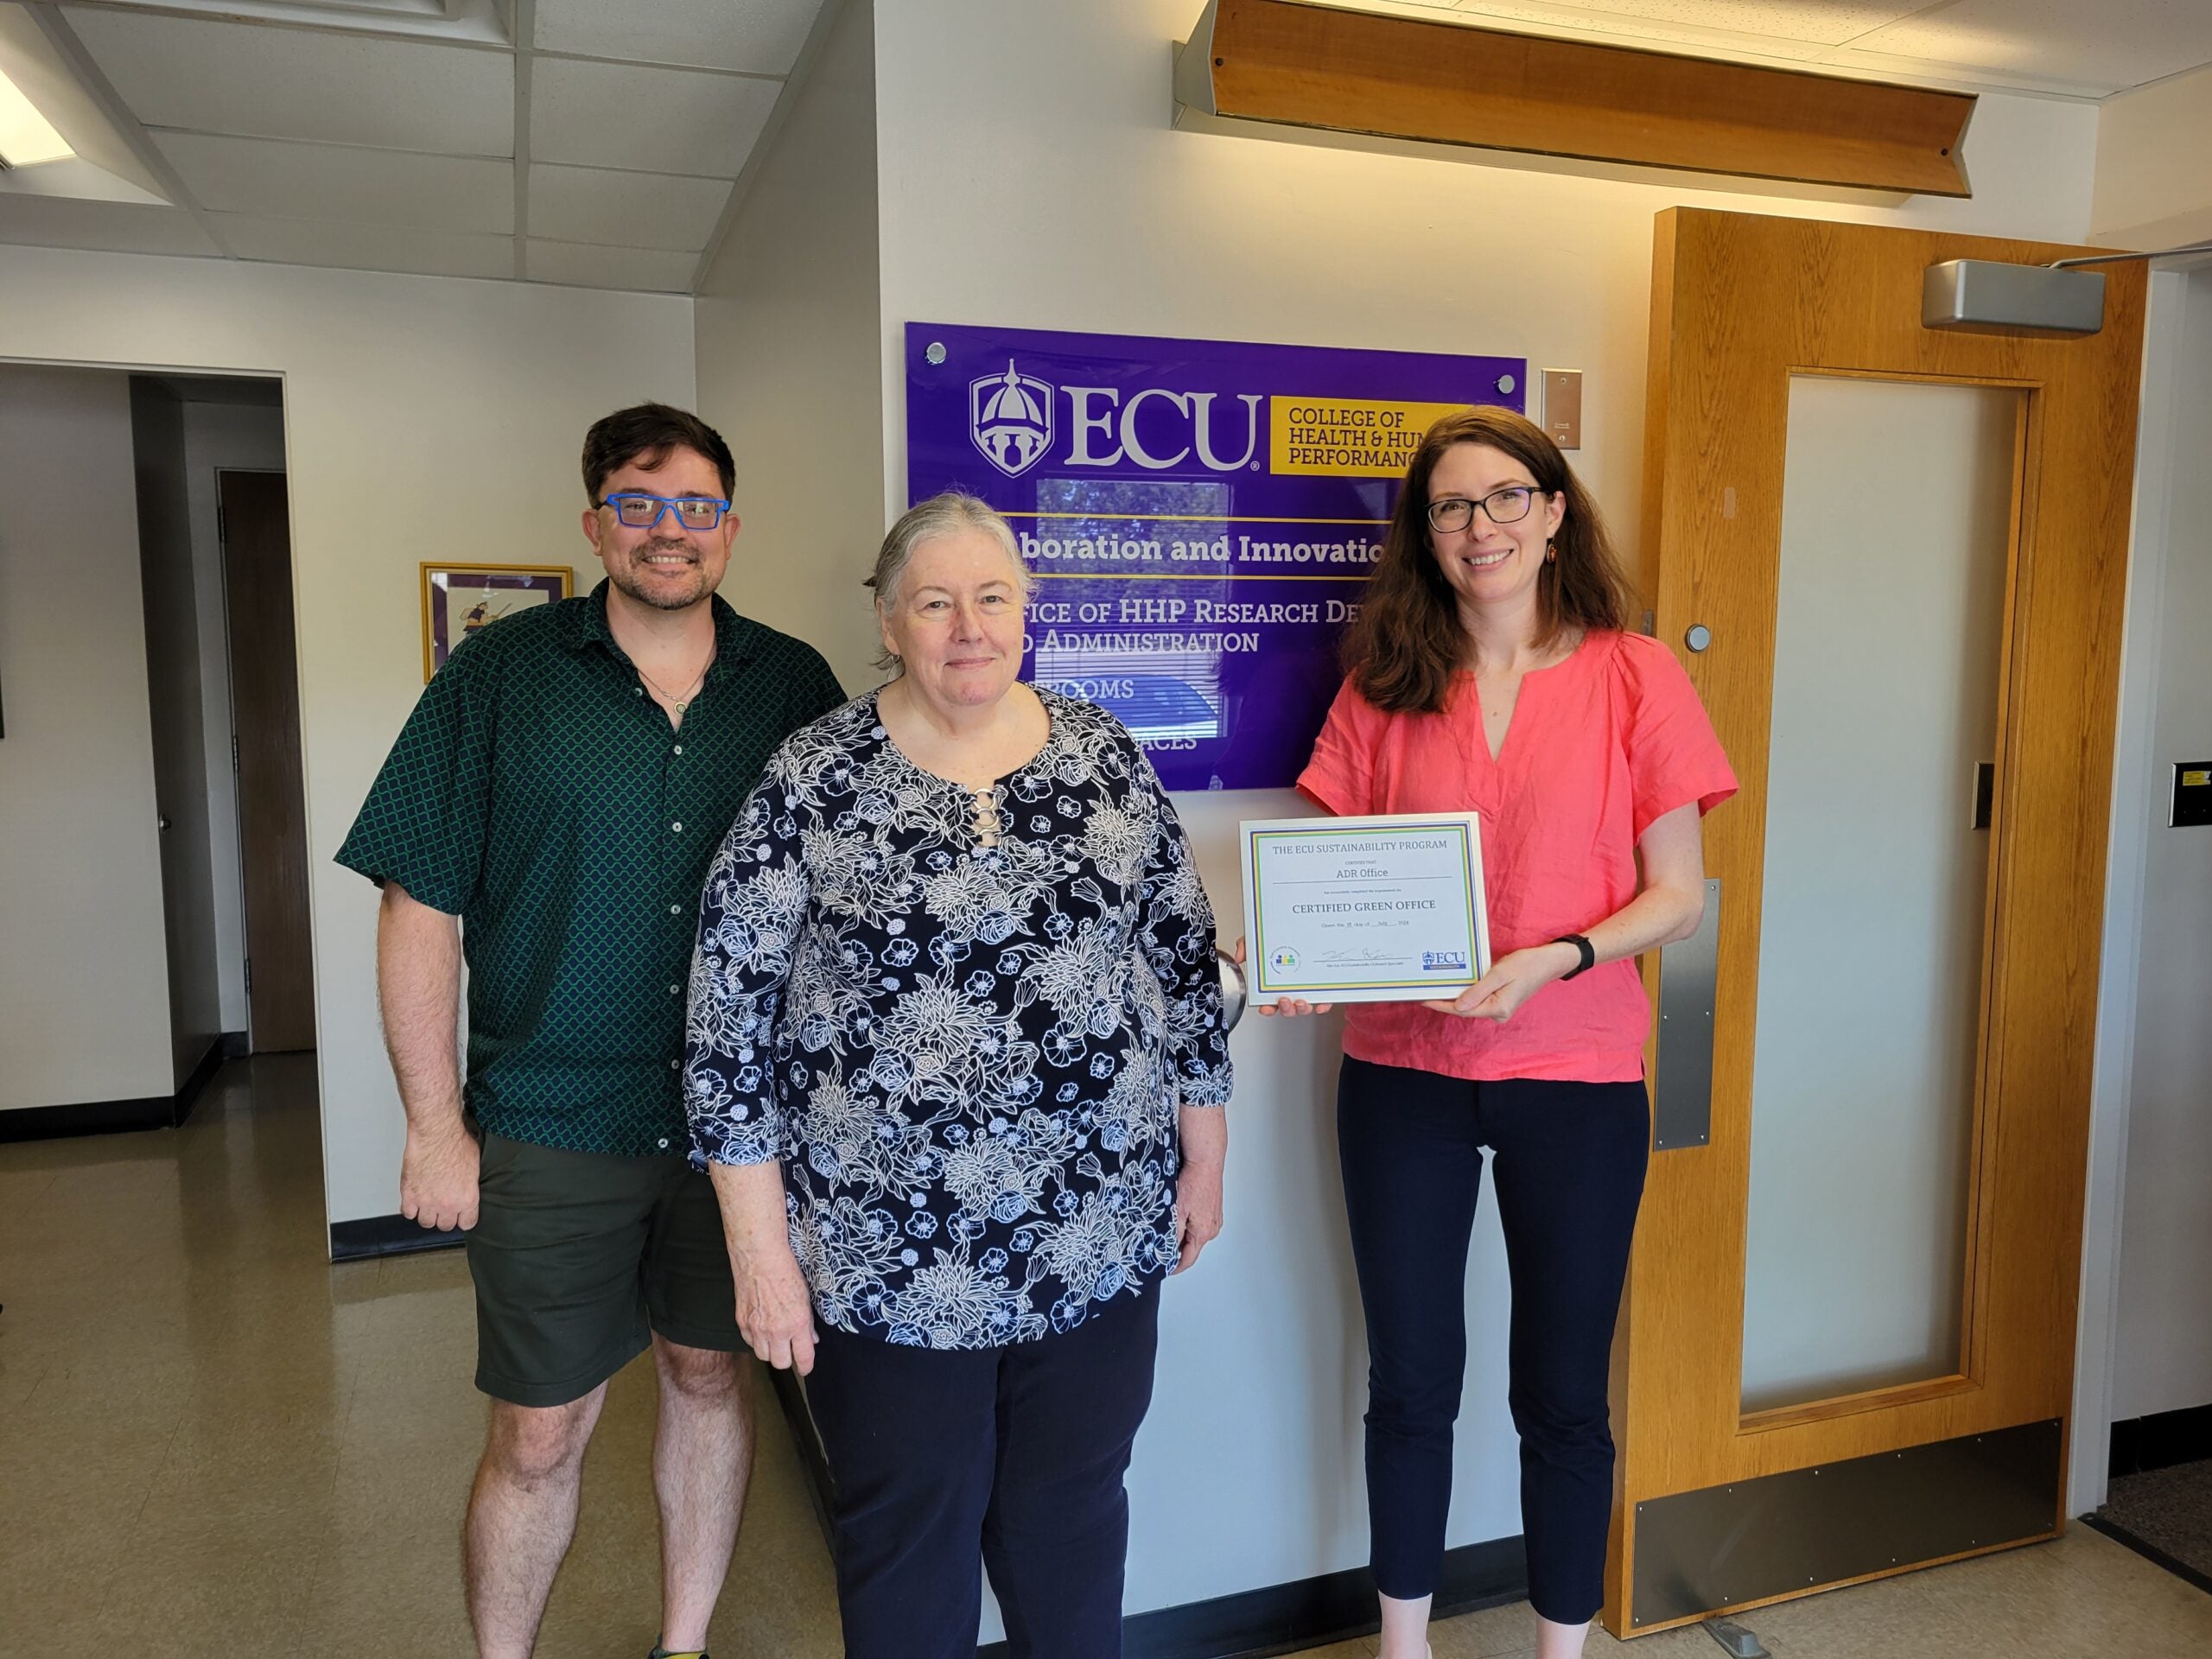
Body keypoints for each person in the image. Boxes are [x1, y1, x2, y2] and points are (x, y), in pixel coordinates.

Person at [682, 492, 1233, 1659]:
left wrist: (1206, 1154)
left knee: (1072, 1525)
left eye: (992, 597)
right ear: (888, 620)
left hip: (1094, 1237)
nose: (967, 626)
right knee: (905, 1541)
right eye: (935, 602)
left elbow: (1183, 959)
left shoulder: (1103, 758)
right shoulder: (813, 778)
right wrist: (760, 1248)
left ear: (1027, 613)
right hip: (884, 1262)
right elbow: (727, 1021)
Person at [336, 403, 845, 1659]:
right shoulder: (501, 679)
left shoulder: (793, 686)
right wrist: (432, 1124)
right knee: (540, 1429)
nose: (668, 532)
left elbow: (860, 911)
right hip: (552, 1118)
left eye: (696, 508)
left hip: (737, 1136)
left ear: (731, 527)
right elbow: (419, 904)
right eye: (638, 502)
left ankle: (683, 1644)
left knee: (710, 1376)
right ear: (594, 522)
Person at [1262, 407, 1736, 1659]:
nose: (1482, 527)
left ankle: (1558, 1650)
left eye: (1506, 498)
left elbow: (1677, 896)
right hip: (1402, 1077)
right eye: (1452, 507)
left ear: (1555, 510)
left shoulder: (1640, 675)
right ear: (1426, 534)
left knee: (1563, 1395)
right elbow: (1327, 872)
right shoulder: (1385, 681)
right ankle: (1405, 1645)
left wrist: (1556, 959)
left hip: (1576, 1076)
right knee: (1411, 1384)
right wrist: (1302, 959)